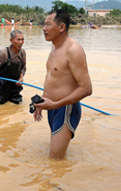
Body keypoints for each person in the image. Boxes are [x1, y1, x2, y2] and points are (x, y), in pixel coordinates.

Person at [33, 9, 92, 159]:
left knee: (55, 159)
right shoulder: (54, 47)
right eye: (44, 24)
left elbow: (86, 88)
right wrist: (42, 102)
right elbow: (52, 78)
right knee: (55, 154)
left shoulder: (73, 50)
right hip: (52, 107)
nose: (43, 29)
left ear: (61, 27)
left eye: (48, 24)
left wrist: (56, 104)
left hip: (66, 108)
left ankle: (57, 183)